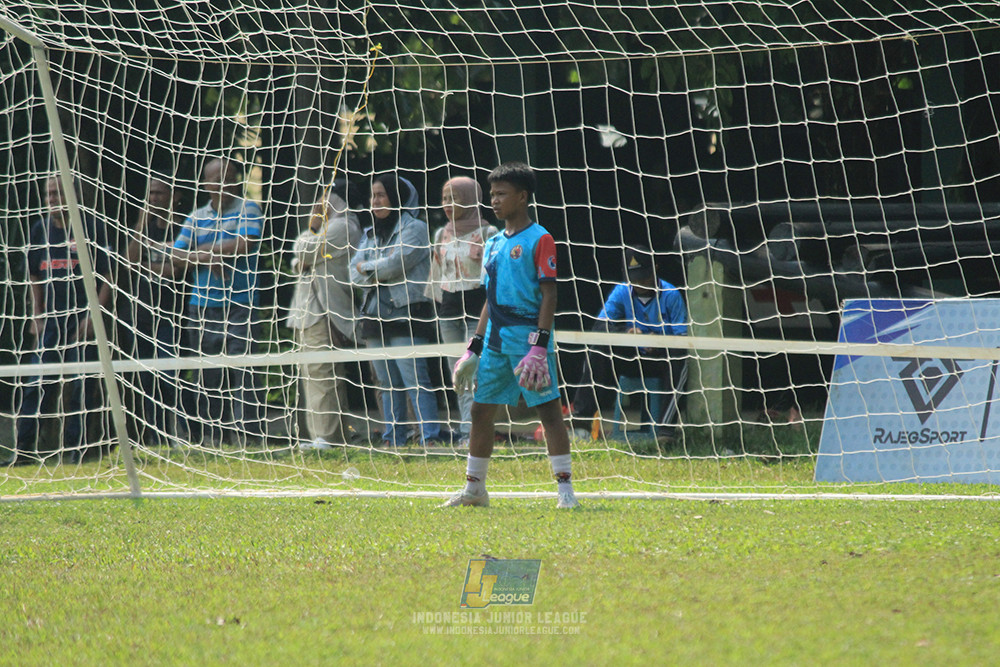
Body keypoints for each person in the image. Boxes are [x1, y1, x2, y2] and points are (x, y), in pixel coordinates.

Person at [444, 162, 578, 509]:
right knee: (480, 411)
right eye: (491, 194)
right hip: (495, 342)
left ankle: (566, 492)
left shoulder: (540, 239)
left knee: (548, 412)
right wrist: (473, 347)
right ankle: (475, 490)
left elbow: (550, 294)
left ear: (523, 197)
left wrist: (540, 345)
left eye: (502, 194)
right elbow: (490, 299)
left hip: (528, 341)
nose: (495, 201)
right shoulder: (492, 243)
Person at [10, 175, 113, 465]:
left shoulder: (91, 228)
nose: (52, 199)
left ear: (72, 196)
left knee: (82, 387)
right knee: (36, 384)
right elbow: (34, 274)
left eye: (57, 193)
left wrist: (95, 315)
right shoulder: (39, 230)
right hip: (51, 322)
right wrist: (37, 313)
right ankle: (24, 451)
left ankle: (75, 451)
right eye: (48, 194)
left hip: (83, 320)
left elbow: (108, 276)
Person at [172, 158, 264, 447]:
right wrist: (206, 256)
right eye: (217, 178)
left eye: (230, 177)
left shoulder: (249, 208)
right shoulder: (196, 216)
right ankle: (214, 437)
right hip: (202, 306)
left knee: (244, 370)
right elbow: (176, 256)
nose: (225, 183)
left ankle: (248, 438)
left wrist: (204, 249)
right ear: (206, 184)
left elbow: (243, 244)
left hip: (241, 303)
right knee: (207, 374)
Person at [350, 174, 445, 448]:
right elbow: (351, 274)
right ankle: (394, 439)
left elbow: (397, 263)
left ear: (397, 197)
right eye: (373, 195)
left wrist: (368, 268)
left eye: (381, 194)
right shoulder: (369, 234)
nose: (375, 201)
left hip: (406, 314)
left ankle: (430, 438)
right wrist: (372, 269)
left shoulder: (415, 228)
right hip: (374, 316)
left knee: (415, 378)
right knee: (386, 382)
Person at [569, 246, 689, 445]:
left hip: (661, 361)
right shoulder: (622, 291)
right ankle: (581, 424)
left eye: (644, 277)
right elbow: (599, 326)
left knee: (679, 360)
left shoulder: (671, 295)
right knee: (598, 348)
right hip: (632, 358)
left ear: (655, 269)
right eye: (635, 278)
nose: (640, 283)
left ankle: (665, 432)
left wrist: (658, 342)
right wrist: (627, 333)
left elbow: (682, 339)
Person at [287, 179, 362, 450]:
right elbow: (298, 262)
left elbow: (302, 251)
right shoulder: (333, 228)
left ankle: (326, 437)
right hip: (309, 310)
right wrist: (309, 248)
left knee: (321, 373)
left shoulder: (343, 226)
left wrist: (311, 229)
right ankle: (330, 435)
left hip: (324, 311)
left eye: (325, 199)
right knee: (313, 374)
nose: (320, 206)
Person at [426, 176, 499, 446]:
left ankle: (472, 432)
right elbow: (435, 278)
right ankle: (465, 429)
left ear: (470, 199)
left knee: (473, 369)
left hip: (478, 311)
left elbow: (494, 278)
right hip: (448, 311)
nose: (448, 204)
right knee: (454, 372)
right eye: (445, 198)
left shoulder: (488, 233)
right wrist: (438, 308)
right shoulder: (440, 234)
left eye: (454, 198)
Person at [121, 177, 187, 445]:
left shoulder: (184, 227)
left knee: (172, 378)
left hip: (175, 314)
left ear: (174, 196)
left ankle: (184, 434)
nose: (154, 199)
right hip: (143, 315)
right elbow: (128, 262)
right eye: (150, 193)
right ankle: (156, 437)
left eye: (159, 193)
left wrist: (146, 267)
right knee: (147, 381)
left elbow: (179, 270)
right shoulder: (142, 229)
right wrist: (140, 224)